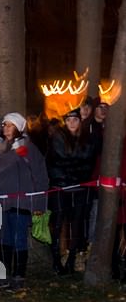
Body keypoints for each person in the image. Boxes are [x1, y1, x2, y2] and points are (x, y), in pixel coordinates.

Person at [0, 112, 48, 291]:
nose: (6, 128)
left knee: (19, 238)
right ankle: (4, 276)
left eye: (10, 125)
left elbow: (40, 176)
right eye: (4, 125)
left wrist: (39, 203)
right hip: (1, 201)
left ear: (19, 128)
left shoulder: (30, 149)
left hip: (21, 202)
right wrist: (15, 153)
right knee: (3, 238)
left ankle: (19, 276)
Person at [46, 107, 96, 274]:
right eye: (68, 120)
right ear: (64, 122)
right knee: (58, 224)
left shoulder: (87, 139)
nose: (72, 123)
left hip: (80, 188)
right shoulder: (58, 138)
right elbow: (56, 162)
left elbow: (88, 162)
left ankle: (72, 259)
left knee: (77, 224)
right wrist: (74, 167)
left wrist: (74, 167)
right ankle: (55, 260)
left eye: (75, 120)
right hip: (60, 188)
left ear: (80, 122)